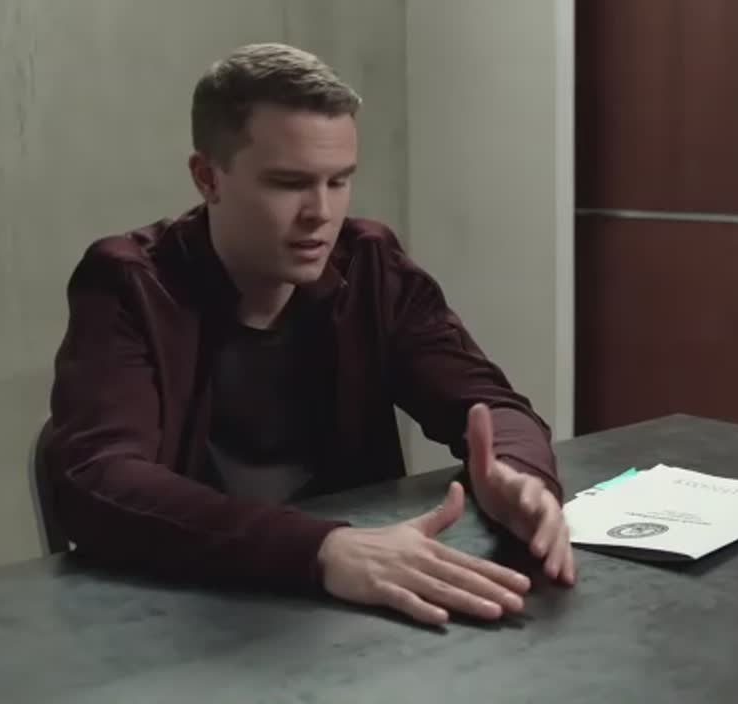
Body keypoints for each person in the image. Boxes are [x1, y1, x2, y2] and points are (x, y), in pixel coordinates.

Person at [41, 42, 575, 626]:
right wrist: (320, 550)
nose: (321, 212)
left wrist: (518, 475)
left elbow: (492, 405)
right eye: (288, 183)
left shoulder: (370, 265)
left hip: (360, 616)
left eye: (339, 181)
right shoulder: (128, 283)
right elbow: (99, 481)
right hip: (187, 618)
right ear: (208, 178)